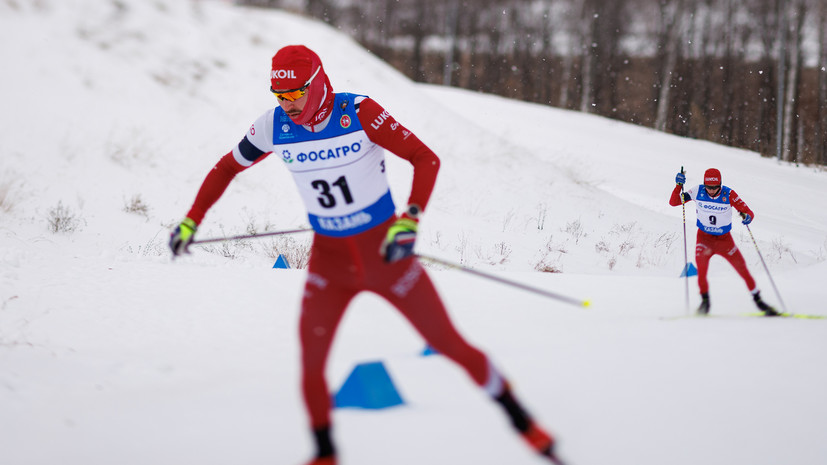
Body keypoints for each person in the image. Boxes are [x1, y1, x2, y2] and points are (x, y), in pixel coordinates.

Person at [169, 45, 565, 465]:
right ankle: (324, 454)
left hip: (384, 257)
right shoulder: (273, 126)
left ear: (316, 84)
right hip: (329, 263)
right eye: (279, 96)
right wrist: (191, 221)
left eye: (296, 94)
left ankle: (525, 425)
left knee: (449, 344)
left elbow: (424, 158)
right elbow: (226, 167)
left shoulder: (357, 112)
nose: (288, 105)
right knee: (311, 364)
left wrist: (410, 219)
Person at [670, 168, 779, 316]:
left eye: (715, 187)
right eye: (708, 187)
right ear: (704, 184)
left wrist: (747, 216)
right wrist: (678, 186)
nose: (711, 191)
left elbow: (748, 211)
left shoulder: (728, 194)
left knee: (742, 269)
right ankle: (705, 302)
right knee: (702, 270)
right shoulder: (697, 191)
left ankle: (759, 301)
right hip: (704, 239)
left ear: (720, 184)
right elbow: (674, 202)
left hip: (724, 241)